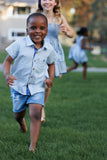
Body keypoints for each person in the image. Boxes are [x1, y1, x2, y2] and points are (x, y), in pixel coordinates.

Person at [3, 12, 55, 153]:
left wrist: (50, 78)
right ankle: (21, 122)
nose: (37, 31)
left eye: (42, 28)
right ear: (27, 30)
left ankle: (32, 146)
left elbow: (51, 64)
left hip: (37, 87)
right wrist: (7, 75)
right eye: (33, 28)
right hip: (19, 87)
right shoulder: (19, 44)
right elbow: (7, 61)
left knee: (36, 114)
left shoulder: (48, 48)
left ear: (46, 30)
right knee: (18, 114)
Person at [37, 0, 74, 122]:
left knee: (47, 83)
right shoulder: (36, 16)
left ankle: (42, 107)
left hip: (53, 53)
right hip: (39, 50)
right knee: (37, 80)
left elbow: (71, 34)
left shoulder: (59, 17)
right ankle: (33, 105)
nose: (47, 2)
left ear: (56, 2)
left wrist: (66, 32)